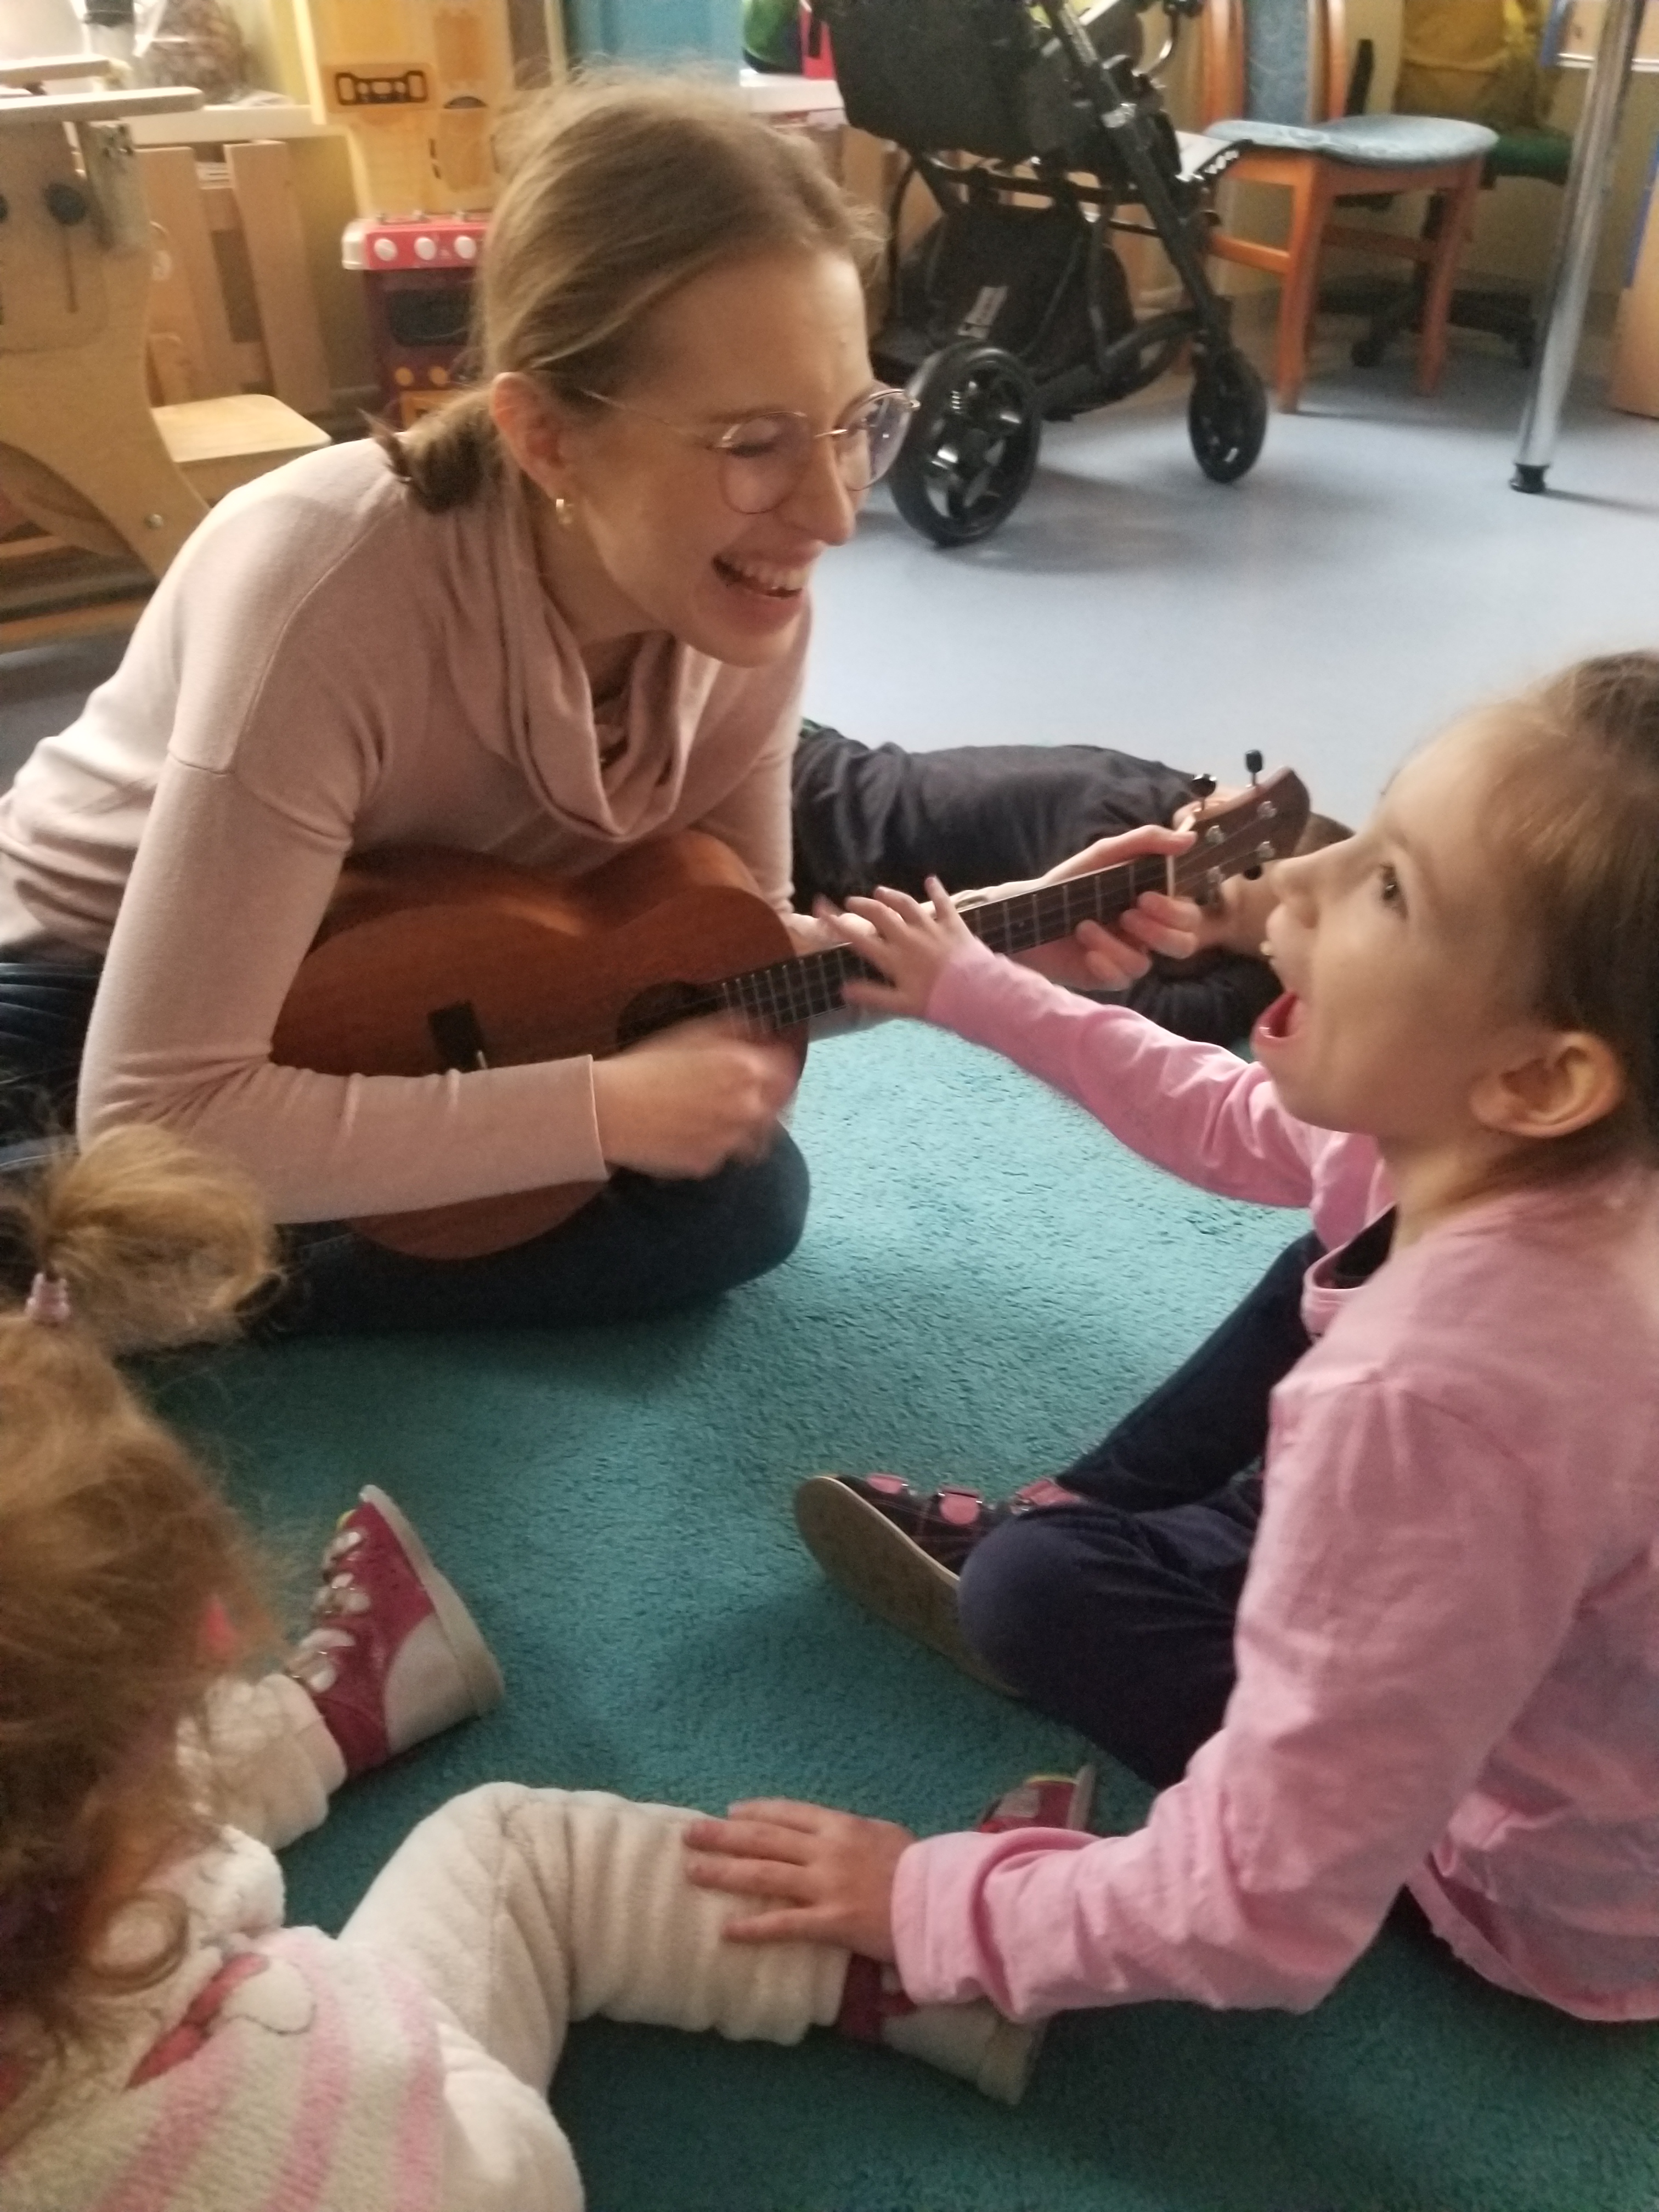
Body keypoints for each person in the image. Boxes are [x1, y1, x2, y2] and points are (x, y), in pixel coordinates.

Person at [683, 653, 1659, 2033]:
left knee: (1032, 1590)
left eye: (1390, 887)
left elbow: (1264, 1908)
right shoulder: (1540, 1160)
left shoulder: (1424, 1398)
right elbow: (1231, 1118)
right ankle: (1113, 1512)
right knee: (1338, 1243)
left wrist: (928, 1906)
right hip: (1523, 1584)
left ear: (1544, 1078)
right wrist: (978, 987)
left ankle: (1070, 1534)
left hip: (1544, 1891)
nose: (1298, 882)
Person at [0, 1126, 1099, 2208]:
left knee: (78, 1791)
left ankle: (349, 1705)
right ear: (206, 1632)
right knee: (516, 1853)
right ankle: (914, 1975)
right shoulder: (274, 2074)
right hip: (449, 2176)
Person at [791, 720, 1351, 1043]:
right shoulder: (1107, 833)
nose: (1193, 942)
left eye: (1227, 953)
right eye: (1210, 899)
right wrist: (1270, 982)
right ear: (1229, 806)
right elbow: (1151, 1016)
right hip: (797, 808)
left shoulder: (1177, 808)